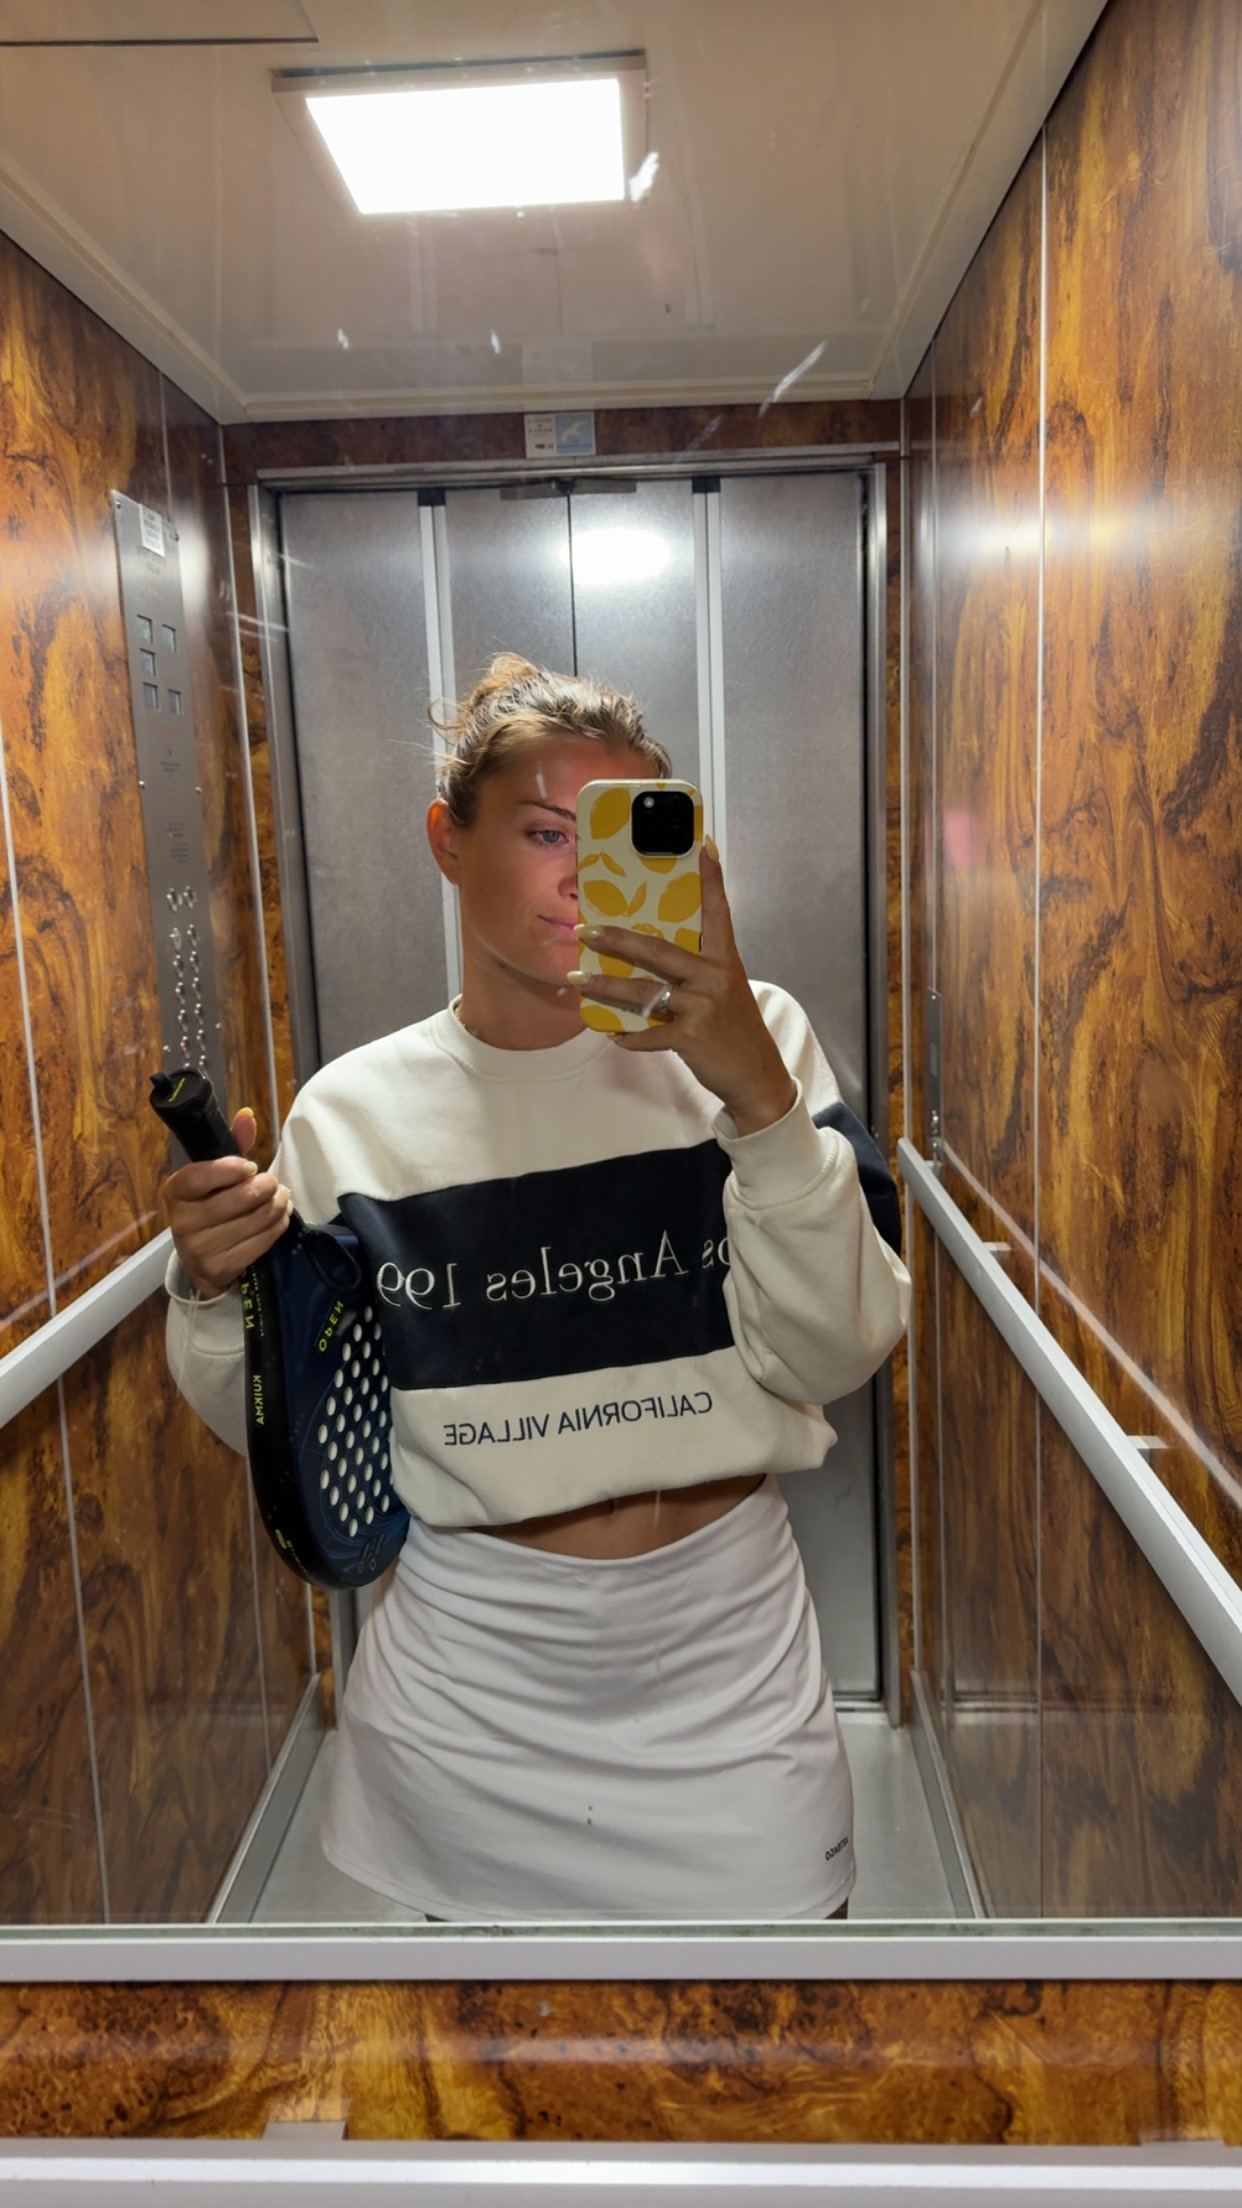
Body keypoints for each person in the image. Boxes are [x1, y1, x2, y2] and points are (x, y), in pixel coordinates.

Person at [162, 654, 910, 1922]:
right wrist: (210, 1279)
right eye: (546, 831)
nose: (578, 874)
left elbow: (837, 1352)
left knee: (772, 2031)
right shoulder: (352, 1113)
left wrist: (763, 1105)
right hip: (472, 1694)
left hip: (728, 1666)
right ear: (447, 842)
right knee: (490, 2048)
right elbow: (281, 1426)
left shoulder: (759, 1042)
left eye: (623, 837)